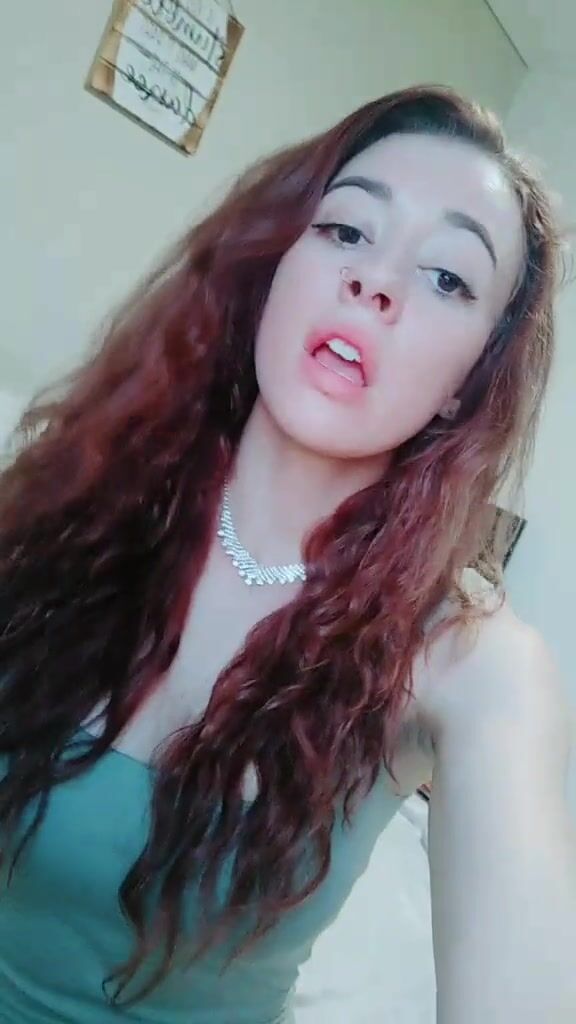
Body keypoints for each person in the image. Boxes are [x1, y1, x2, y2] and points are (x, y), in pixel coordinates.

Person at [0, 83, 574, 1024]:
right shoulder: (77, 496)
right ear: (277, 267)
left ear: (465, 386)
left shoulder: (472, 664)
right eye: (346, 230)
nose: (375, 280)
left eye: (448, 277)